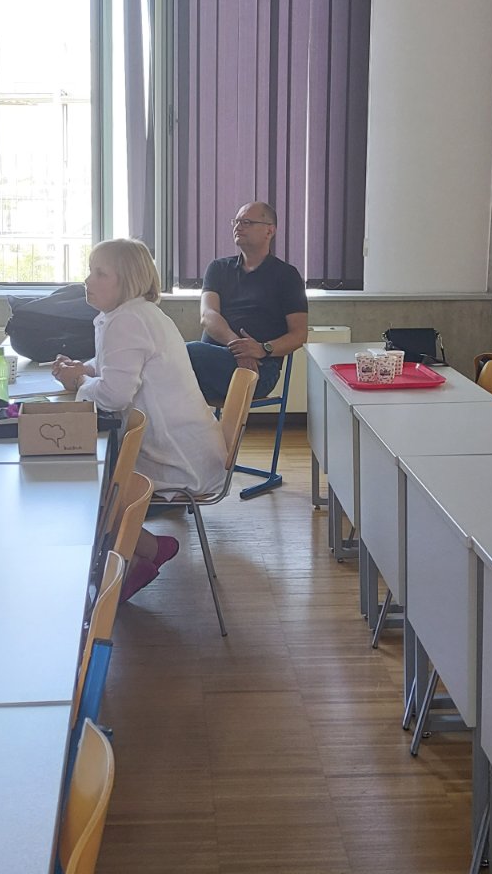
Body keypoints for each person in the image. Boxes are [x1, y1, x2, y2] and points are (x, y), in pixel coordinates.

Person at [52, 239, 226, 600]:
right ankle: (146, 549)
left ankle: (141, 552)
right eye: (90, 271)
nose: (88, 280)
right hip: (190, 446)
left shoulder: (127, 320)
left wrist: (79, 382)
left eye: (100, 273)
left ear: (127, 280)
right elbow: (117, 366)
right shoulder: (137, 313)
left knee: (86, 485)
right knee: (90, 478)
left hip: (176, 458)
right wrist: (84, 369)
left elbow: (114, 396)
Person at [184, 201, 309, 404]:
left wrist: (262, 349)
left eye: (247, 222)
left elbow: (299, 334)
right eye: (236, 221)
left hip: (258, 369)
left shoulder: (287, 275)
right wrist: (239, 347)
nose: (238, 226)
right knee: (168, 357)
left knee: (184, 353)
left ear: (269, 231)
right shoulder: (218, 268)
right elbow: (208, 316)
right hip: (211, 363)